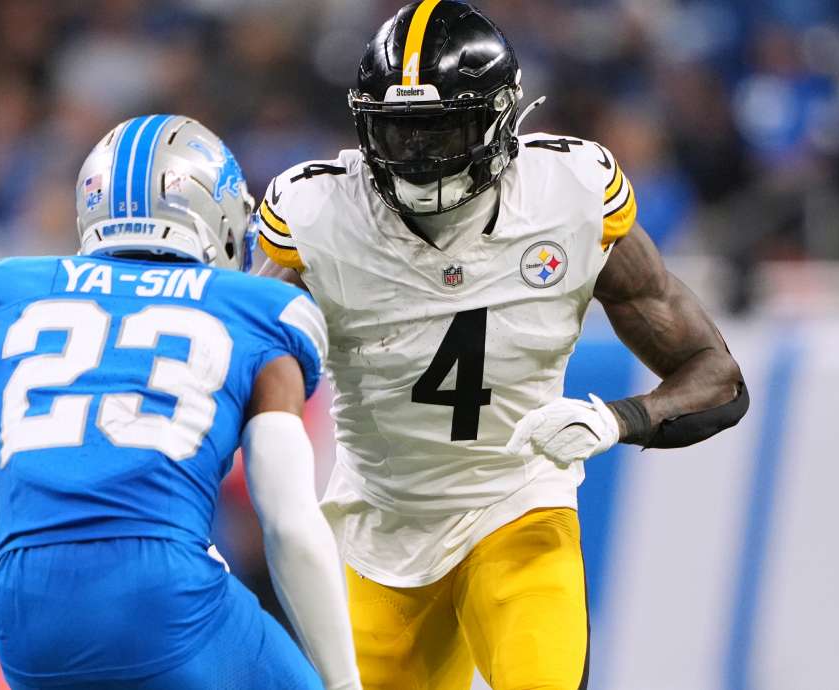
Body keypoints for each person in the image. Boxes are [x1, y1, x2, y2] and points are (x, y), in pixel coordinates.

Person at [254, 2, 749, 689]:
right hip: (378, 527)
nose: (420, 156)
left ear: (500, 119)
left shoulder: (567, 196)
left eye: (443, 129)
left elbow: (717, 376)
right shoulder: (320, 216)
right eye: (400, 132)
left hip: (516, 503)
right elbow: (235, 366)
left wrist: (616, 420)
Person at [0, 115, 361, 690]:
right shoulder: (257, 311)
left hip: (23, 612)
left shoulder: (13, 292)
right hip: (165, 591)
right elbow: (289, 523)